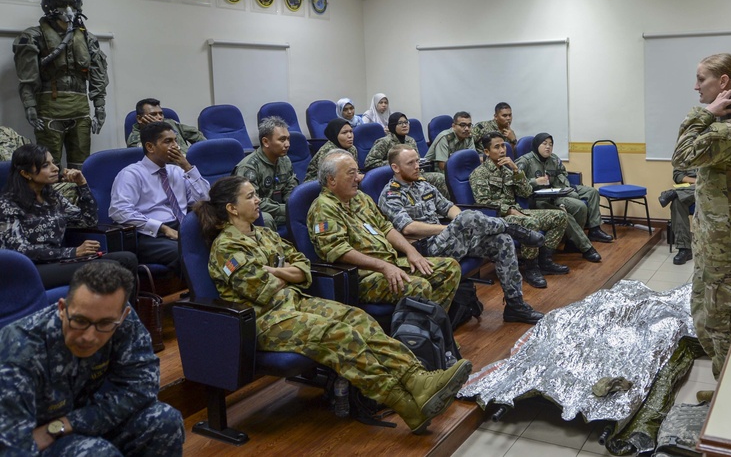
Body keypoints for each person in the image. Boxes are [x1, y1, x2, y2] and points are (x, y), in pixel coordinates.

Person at [196, 176, 472, 434]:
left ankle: (417, 379)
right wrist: (285, 273)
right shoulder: (227, 247)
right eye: (251, 196)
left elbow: (303, 267)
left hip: (294, 302)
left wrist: (276, 271)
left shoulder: (264, 234)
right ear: (232, 208)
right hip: (262, 320)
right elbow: (261, 289)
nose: (258, 200)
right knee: (338, 333)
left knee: (357, 318)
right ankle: (405, 403)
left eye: (256, 194)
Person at [0, 261, 184, 455]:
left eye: (104, 324)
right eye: (80, 320)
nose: (89, 336)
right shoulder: (18, 349)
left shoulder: (118, 318)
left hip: (70, 422)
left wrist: (64, 425)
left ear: (122, 316)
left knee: (164, 421)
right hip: (32, 439)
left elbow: (142, 388)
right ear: (62, 308)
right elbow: (13, 447)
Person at [672, 53, 731, 383]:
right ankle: (730, 386)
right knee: (713, 314)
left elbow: (682, 156)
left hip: (727, 246)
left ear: (723, 82)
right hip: (722, 241)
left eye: (702, 79)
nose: (695, 86)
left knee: (719, 324)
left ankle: (728, 399)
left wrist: (703, 113)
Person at [378, 146, 545, 324]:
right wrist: (452, 228)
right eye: (410, 163)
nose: (417, 166)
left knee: (501, 240)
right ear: (396, 168)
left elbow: (448, 207)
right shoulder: (390, 194)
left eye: (417, 161)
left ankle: (515, 305)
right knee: (466, 219)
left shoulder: (422, 184)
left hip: (448, 241)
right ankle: (514, 229)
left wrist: (464, 224)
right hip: (425, 249)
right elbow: (408, 228)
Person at [308, 149, 461, 309]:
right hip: (364, 274)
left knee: (450, 268)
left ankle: (431, 325)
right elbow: (338, 250)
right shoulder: (323, 208)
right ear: (331, 180)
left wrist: (411, 251)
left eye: (358, 172)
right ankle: (417, 328)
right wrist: (382, 266)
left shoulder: (360, 198)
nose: (358, 178)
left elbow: (386, 227)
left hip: (390, 262)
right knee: (419, 286)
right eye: (351, 173)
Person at [0, 144, 137, 289]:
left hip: (58, 261)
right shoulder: (7, 204)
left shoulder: (52, 197)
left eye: (53, 162)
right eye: (46, 165)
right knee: (113, 267)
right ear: (26, 173)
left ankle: (127, 311)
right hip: (31, 268)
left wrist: (82, 184)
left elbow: (88, 221)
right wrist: (73, 252)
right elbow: (20, 250)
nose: (55, 168)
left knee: (128, 259)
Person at [13, 0, 109, 169]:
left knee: (81, 165)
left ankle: (79, 196)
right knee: (49, 165)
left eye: (72, 5)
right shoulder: (33, 36)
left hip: (81, 110)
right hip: (50, 110)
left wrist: (100, 106)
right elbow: (27, 76)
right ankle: (51, 197)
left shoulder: (86, 37)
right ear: (50, 8)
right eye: (63, 5)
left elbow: (98, 73)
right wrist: (30, 106)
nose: (68, 10)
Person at [470, 132, 570, 288]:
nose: (502, 150)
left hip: (517, 212)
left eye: (503, 145)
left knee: (560, 216)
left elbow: (526, 192)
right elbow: (484, 203)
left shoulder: (508, 170)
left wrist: (516, 170)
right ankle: (531, 268)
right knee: (530, 224)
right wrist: (509, 210)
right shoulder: (479, 174)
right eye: (497, 147)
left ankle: (545, 261)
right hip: (498, 218)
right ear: (487, 152)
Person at [109, 121, 210, 276]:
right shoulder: (131, 174)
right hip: (151, 234)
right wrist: (162, 228)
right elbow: (119, 210)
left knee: (220, 242)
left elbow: (206, 199)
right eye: (168, 141)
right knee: (187, 252)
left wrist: (188, 167)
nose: (175, 146)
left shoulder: (177, 171)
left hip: (182, 226)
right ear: (150, 147)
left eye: (175, 140)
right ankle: (198, 296)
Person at [516, 132, 613, 260]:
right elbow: (516, 183)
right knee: (566, 214)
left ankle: (573, 241)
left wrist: (565, 188)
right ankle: (586, 247)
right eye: (544, 144)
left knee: (581, 205)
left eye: (551, 144)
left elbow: (563, 173)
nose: (548, 147)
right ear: (536, 145)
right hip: (537, 199)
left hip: (557, 192)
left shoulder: (554, 159)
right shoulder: (525, 161)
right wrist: (535, 181)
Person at [233, 116, 298, 231]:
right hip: (254, 212)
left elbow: (291, 188)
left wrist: (293, 205)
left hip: (278, 210)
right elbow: (251, 202)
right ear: (266, 142)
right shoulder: (249, 167)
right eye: (282, 140)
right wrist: (287, 209)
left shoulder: (285, 160)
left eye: (288, 139)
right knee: (266, 218)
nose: (287, 144)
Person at [365, 112, 449, 197]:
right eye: (400, 123)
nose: (404, 125)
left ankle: (443, 207)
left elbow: (417, 160)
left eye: (406, 122)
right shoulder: (384, 141)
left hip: (415, 174)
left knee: (440, 178)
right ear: (393, 126)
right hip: (396, 177)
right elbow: (370, 162)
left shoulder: (411, 140)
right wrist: (396, 164)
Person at [126, 98, 205, 154]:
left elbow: (197, 136)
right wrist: (157, 129)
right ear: (140, 119)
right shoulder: (135, 139)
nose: (159, 117)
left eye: (161, 113)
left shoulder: (170, 123)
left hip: (192, 164)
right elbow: (158, 157)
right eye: (153, 114)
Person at [658, 168, 697, 265]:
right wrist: (695, 181)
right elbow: (677, 175)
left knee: (706, 184)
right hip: (690, 191)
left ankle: (674, 192)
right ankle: (684, 249)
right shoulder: (685, 153)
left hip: (712, 191)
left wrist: (702, 181)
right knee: (677, 202)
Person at [305, 118, 358, 182]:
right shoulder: (327, 153)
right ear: (335, 135)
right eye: (344, 133)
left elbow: (355, 170)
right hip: (317, 183)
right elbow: (326, 178)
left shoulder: (352, 148)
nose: (350, 136)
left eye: (351, 131)